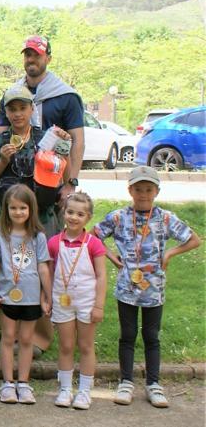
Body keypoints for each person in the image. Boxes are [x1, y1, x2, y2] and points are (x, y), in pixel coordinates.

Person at [94, 166, 201, 409]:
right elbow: (93, 236)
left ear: (156, 191)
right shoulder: (119, 217)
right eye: (138, 189)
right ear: (130, 190)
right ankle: (126, 382)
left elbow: (194, 239)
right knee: (128, 336)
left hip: (154, 290)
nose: (143, 194)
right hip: (126, 290)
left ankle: (153, 384)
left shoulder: (165, 218)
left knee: (151, 337)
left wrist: (170, 252)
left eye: (148, 189)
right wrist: (111, 256)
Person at [0, 35, 85, 212]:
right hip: (15, 182)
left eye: (36, 55)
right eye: (27, 55)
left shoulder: (66, 96)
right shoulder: (11, 95)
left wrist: (70, 184)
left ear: (48, 58)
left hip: (52, 180)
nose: (31, 59)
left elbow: (78, 142)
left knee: (47, 236)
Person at [0, 185, 52, 404]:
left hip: (31, 297)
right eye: (13, 208)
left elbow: (43, 267)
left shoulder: (38, 237)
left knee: (26, 340)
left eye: (23, 208)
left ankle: (23, 383)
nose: (18, 212)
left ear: (31, 209)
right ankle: (7, 383)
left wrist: (47, 296)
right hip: (6, 296)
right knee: (7, 338)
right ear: (6, 209)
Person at [48, 192, 106, 410]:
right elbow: (51, 272)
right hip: (62, 301)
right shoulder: (54, 243)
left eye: (80, 214)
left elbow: (101, 276)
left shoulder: (94, 244)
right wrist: (48, 299)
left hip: (86, 302)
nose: (73, 217)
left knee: (85, 345)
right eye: (70, 212)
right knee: (65, 345)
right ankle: (64, 389)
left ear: (88, 217)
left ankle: (84, 390)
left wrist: (98, 305)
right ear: (64, 212)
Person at [0, 85, 70, 225]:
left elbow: (63, 173)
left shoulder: (47, 138)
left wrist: (64, 147)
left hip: (40, 216)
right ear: (6, 112)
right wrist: (3, 161)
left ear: (32, 108)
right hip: (7, 216)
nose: (17, 114)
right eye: (12, 109)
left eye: (22, 108)